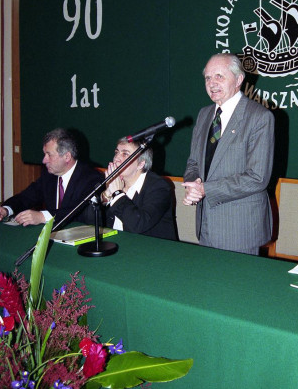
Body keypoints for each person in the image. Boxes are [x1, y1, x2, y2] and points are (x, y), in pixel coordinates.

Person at [182, 53, 274, 255]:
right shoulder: (204, 114)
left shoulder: (259, 117)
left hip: (239, 228)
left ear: (239, 80)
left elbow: (257, 178)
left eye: (219, 76)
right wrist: (193, 185)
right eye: (207, 78)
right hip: (205, 223)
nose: (212, 83)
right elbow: (193, 162)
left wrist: (206, 189)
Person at [0, 128, 103, 226]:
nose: (44, 160)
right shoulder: (49, 174)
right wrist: (5, 209)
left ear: (67, 156)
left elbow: (78, 212)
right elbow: (26, 197)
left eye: (49, 155)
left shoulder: (91, 178)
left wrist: (42, 216)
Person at [98, 139, 176, 240]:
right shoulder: (114, 182)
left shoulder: (159, 187)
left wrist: (117, 194)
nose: (116, 158)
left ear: (141, 164)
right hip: (116, 245)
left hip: (149, 250)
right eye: (117, 152)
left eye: (125, 154)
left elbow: (138, 224)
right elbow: (89, 220)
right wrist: (107, 193)